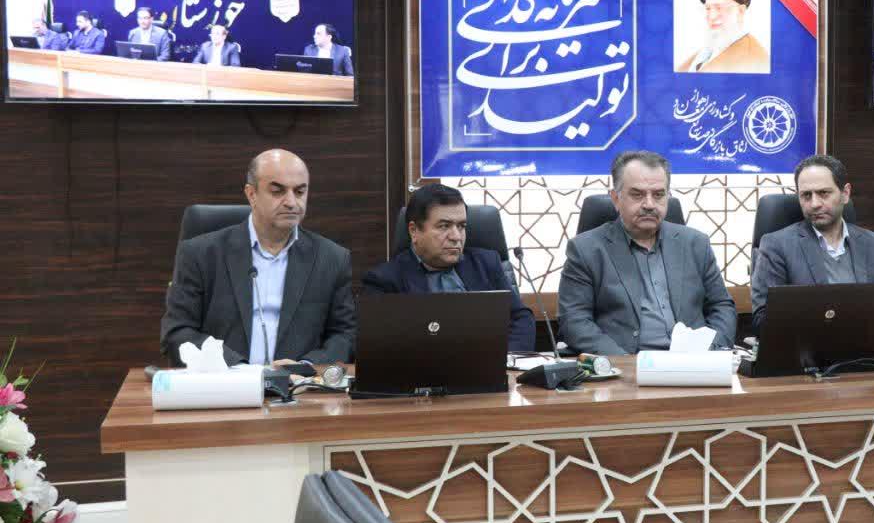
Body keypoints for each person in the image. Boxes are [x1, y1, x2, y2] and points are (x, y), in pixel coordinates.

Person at [161, 149, 356, 367]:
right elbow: (177, 332)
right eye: (278, 191)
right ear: (251, 194)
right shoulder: (201, 254)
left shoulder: (331, 259)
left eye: (300, 192)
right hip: (225, 382)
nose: (291, 202)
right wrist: (238, 369)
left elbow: (345, 336)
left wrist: (306, 366)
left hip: (298, 385)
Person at [558, 150, 736, 355]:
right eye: (637, 194)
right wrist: (627, 364)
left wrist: (710, 353)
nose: (649, 204)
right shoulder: (586, 250)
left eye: (658, 194)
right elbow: (574, 321)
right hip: (625, 367)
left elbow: (722, 307)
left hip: (694, 364)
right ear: (616, 199)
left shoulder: (696, 244)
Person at [751, 155, 874, 340]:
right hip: (809, 353)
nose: (815, 204)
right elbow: (764, 320)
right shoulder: (777, 245)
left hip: (869, 352)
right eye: (806, 195)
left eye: (824, 193)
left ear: (845, 193)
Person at [362, 184, 534, 352]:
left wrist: (504, 360)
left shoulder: (486, 263)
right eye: (444, 226)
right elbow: (378, 344)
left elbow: (520, 318)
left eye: (461, 226)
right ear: (414, 231)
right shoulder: (384, 281)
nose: (456, 237)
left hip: (487, 366)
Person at [675, 0, 769, 73]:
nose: (712, 16)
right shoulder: (709, 50)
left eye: (719, 8)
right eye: (708, 8)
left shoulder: (754, 60)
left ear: (740, 11)